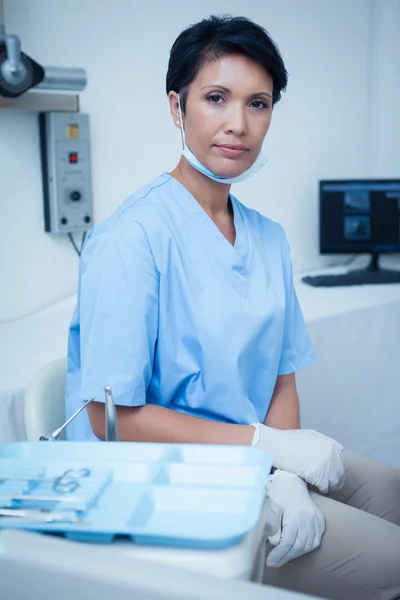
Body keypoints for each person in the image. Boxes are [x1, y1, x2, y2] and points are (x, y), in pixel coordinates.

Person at [65, 15, 400, 600]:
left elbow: (280, 375)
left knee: (392, 493)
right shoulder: (131, 238)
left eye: (259, 103)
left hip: (257, 464)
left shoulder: (267, 238)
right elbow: (110, 420)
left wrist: (289, 475)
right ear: (177, 106)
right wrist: (265, 450)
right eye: (216, 98)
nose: (238, 125)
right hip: (160, 483)